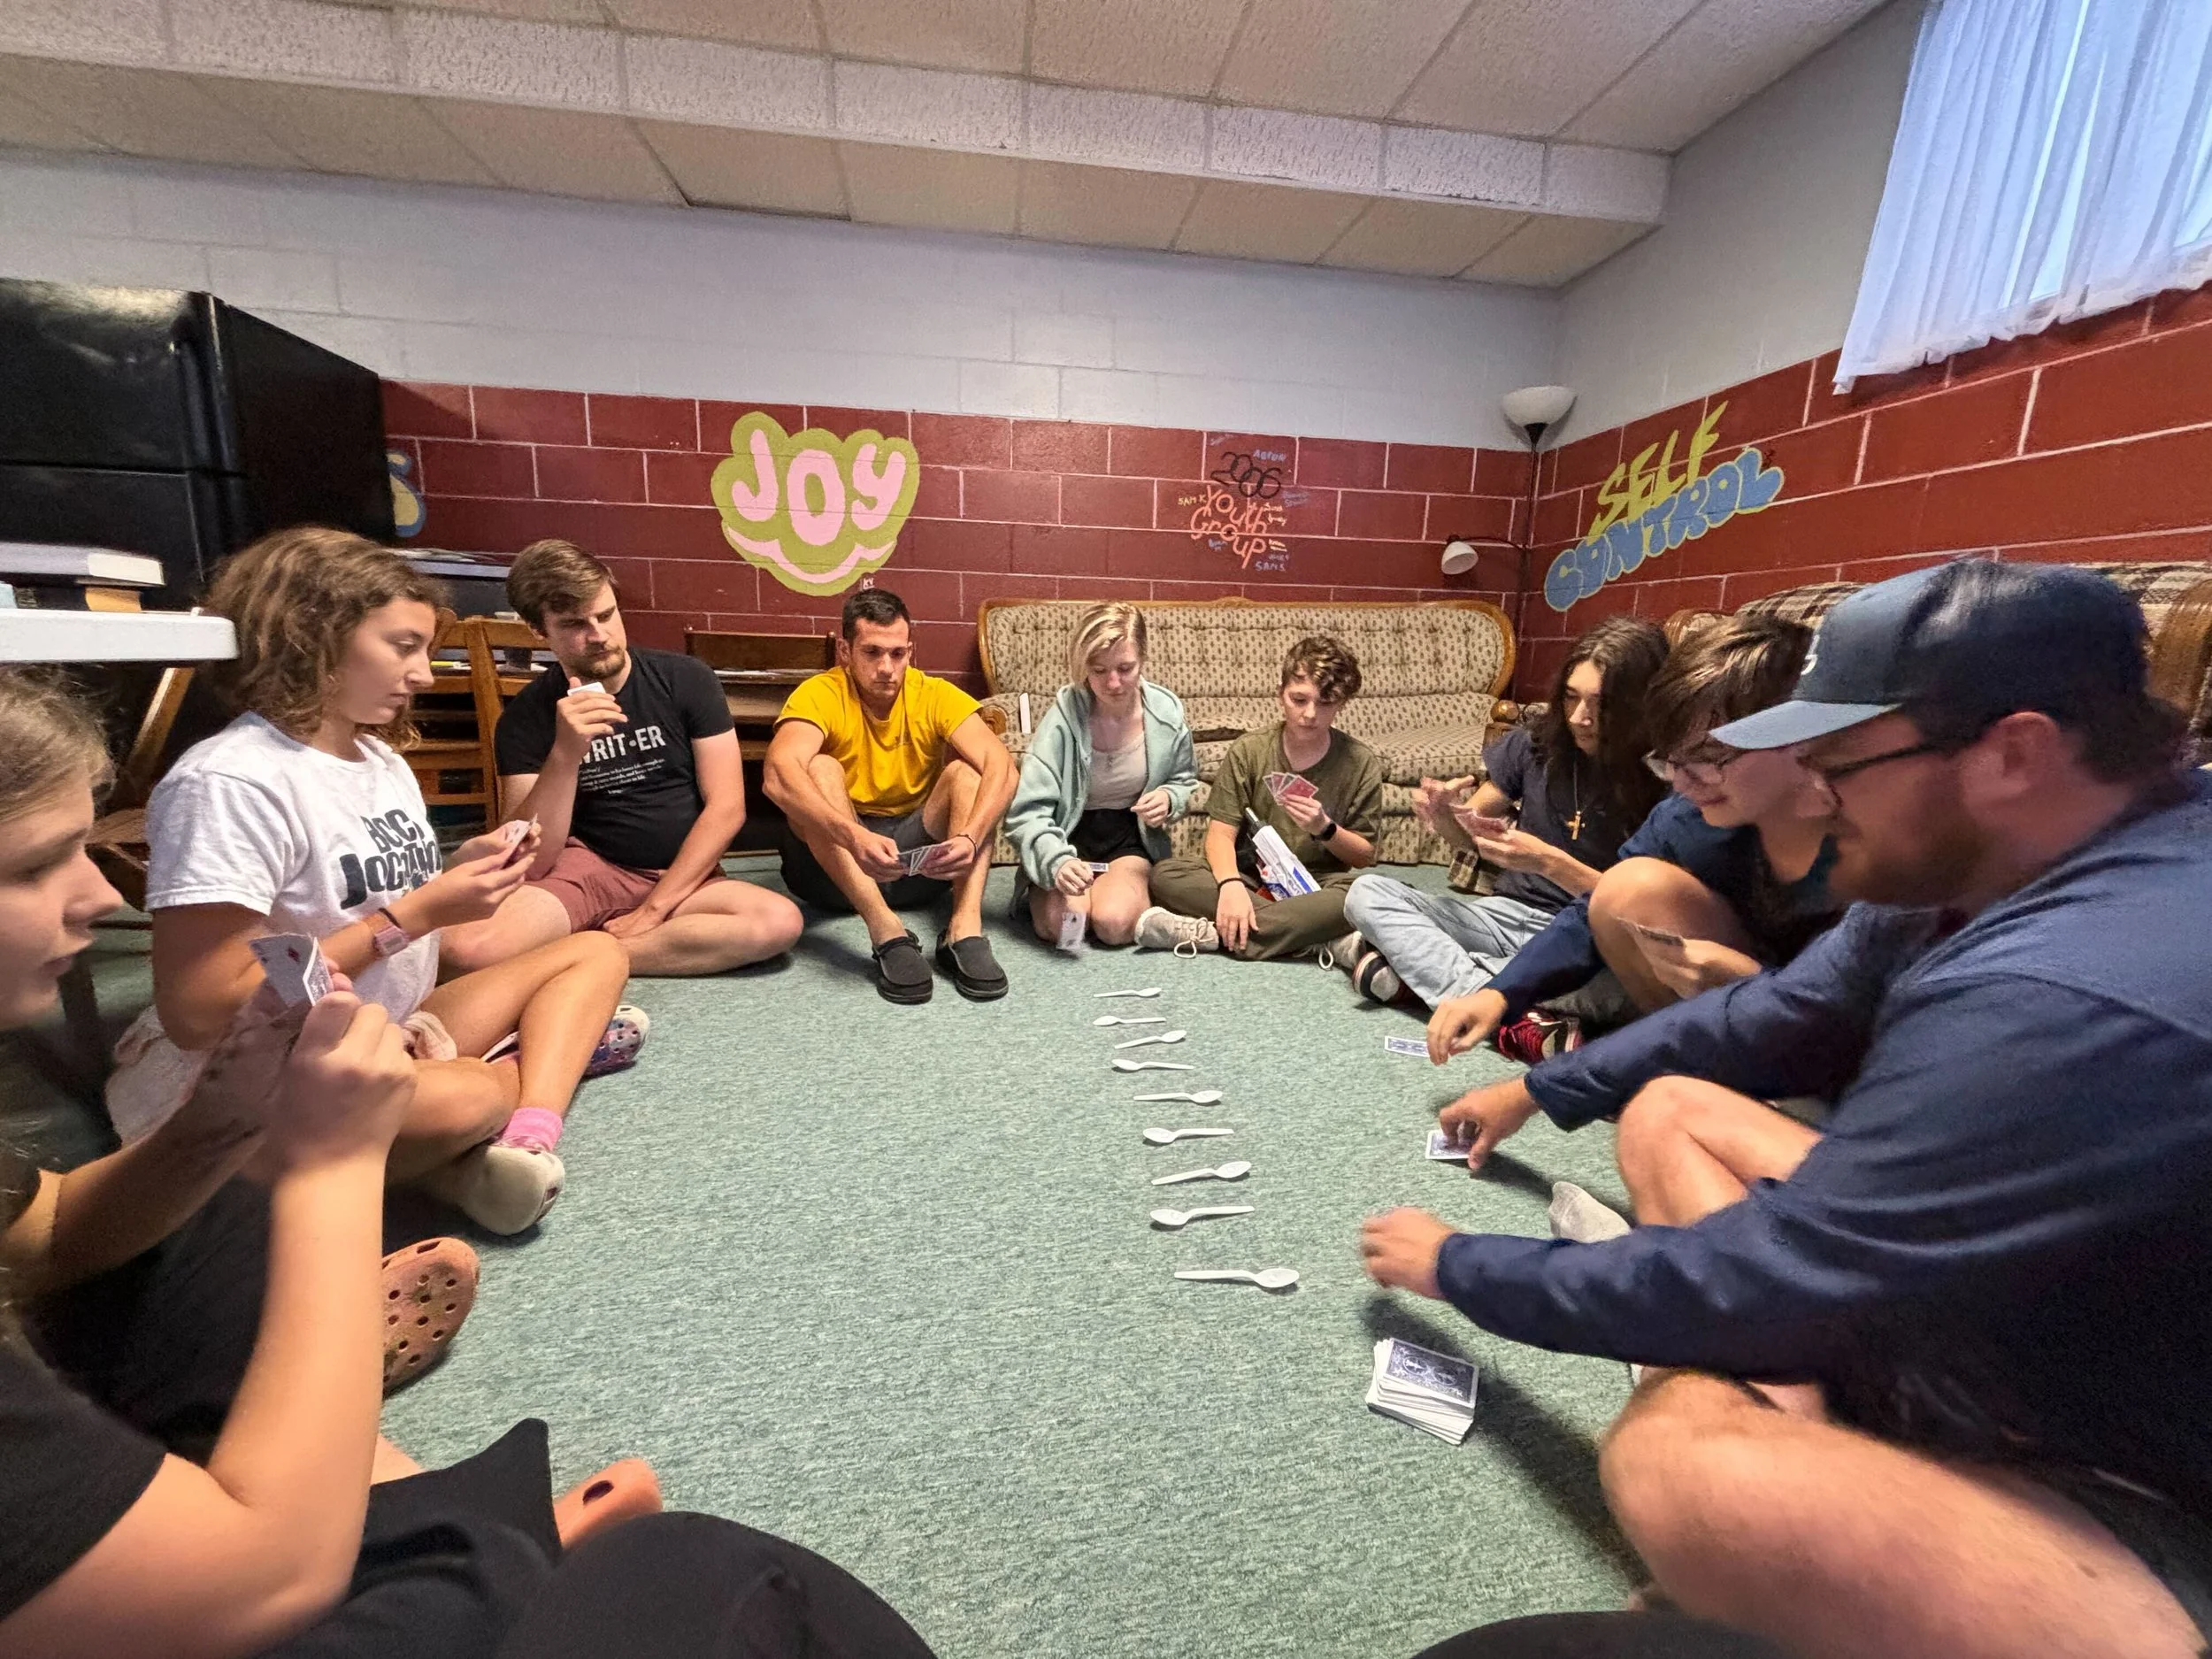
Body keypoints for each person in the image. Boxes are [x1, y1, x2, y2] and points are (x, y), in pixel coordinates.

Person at [1361, 560, 2212, 1659]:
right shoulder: (1991, 863)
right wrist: (1536, 1086)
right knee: (1669, 1106)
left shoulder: (2068, 987)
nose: (1812, 790)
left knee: (1673, 1458)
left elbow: (1770, 1275)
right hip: (2033, 1333)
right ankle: (1805, 1431)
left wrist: (1457, 1266)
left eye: (1839, 760)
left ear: (2012, 753)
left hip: (2148, 1491)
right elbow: (1764, 1016)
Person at [0, 669, 942, 1659]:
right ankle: (476, 1545)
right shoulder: (227, 779)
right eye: (36, 865)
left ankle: (409, 1475)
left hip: (407, 1014)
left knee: (220, 1227)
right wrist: (332, 1161)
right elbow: (260, 1582)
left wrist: (218, 1125)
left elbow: (48, 1229)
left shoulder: (381, 760)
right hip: (255, 1586)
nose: (102, 894)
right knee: (703, 1570)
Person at [116, 527, 639, 1235]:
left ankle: (526, 1134)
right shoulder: (229, 783)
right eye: (404, 647)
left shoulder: (380, 760)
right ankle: (520, 1083)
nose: (424, 674)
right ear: (314, 637)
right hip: (259, 1071)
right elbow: (200, 1012)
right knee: (470, 1097)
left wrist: (458, 872)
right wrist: (415, 914)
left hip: (386, 1025)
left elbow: (367, 898)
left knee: (598, 951)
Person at [1424, 614, 1838, 1067]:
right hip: (1742, 1008)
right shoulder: (1684, 812)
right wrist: (1499, 995)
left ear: (1800, 742)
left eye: (1706, 758)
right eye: (1670, 761)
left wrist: (1758, 984)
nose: (1680, 783)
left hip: (1819, 1031)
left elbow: (1863, 1004)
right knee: (1626, 887)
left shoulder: (1865, 837)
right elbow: (1594, 910)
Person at [439, 539, 803, 978]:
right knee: (464, 951)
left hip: (683, 874)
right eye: (575, 624)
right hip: (588, 871)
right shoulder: (526, 717)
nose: (599, 636)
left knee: (778, 923)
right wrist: (565, 755)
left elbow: (727, 808)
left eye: (606, 615)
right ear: (538, 630)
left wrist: (653, 910)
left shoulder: (685, 678)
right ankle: (598, 948)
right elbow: (531, 859)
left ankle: (592, 952)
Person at [1340, 616, 1668, 1007]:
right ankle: (1493, 997)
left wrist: (1549, 863)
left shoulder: (1671, 778)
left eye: (1602, 704)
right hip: (1503, 916)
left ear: (1639, 704)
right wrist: (1446, 816)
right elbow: (1471, 838)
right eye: (1570, 697)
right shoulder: (1535, 744)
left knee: (1632, 988)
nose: (1579, 717)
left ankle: (1443, 981)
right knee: (1367, 893)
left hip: (1590, 935)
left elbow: (1648, 914)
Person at [763, 587, 1016, 1003]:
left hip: (917, 867)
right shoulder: (820, 693)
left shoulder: (932, 694)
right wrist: (852, 836)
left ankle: (964, 929)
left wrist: (970, 837)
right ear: (845, 652)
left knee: (969, 774)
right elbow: (777, 775)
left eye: (897, 654)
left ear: (910, 652)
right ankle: (887, 931)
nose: (887, 668)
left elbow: (1001, 767)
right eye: (872, 652)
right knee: (819, 768)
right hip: (834, 872)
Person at [1139, 634, 1384, 959]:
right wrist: (1230, 885)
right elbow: (1220, 836)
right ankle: (1314, 936)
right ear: (1280, 694)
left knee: (1371, 892)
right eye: (1299, 700)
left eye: (1326, 703)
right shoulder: (1250, 750)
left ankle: (1221, 934)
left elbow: (1364, 856)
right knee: (1166, 875)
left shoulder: (1360, 762)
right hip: (1250, 876)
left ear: (1342, 703)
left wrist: (1325, 829)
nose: (1310, 714)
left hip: (1317, 884)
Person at [1003, 603, 1201, 949]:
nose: (1113, 683)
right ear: (1083, 667)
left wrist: (1170, 798)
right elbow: (1026, 813)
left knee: (1113, 925)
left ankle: (1117, 897)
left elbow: (1184, 781)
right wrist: (1056, 861)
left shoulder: (1166, 714)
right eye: (1099, 670)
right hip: (1066, 833)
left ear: (1143, 659)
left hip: (1128, 836)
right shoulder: (1063, 718)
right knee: (1067, 926)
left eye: (1125, 668)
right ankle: (1057, 893)